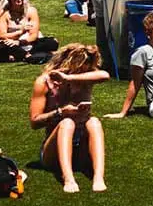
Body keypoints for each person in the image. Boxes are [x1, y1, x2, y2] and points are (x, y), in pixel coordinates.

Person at [30, 43, 110, 193]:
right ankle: (68, 178)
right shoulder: (44, 82)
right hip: (53, 149)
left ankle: (98, 177)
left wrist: (70, 78)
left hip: (82, 148)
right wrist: (60, 112)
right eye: (79, 69)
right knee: (67, 123)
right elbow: (34, 122)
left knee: (94, 122)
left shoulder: (84, 77)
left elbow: (105, 75)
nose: (83, 72)